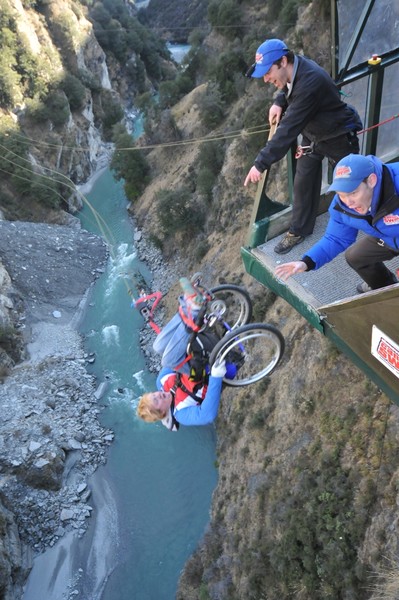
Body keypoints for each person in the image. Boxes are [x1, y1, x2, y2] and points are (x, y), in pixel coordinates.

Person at [243, 38, 362, 255]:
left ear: (283, 61)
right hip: (314, 136)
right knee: (302, 183)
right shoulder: (295, 66)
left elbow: (287, 131)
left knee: (349, 187)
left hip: (338, 136)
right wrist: (280, 101)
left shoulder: (310, 82)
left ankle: (364, 230)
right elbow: (290, 87)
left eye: (268, 72)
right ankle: (298, 230)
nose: (266, 79)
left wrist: (260, 164)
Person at [274, 154, 399, 294]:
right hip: (387, 237)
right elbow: (336, 238)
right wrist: (306, 263)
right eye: (341, 194)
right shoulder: (341, 206)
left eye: (353, 193)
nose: (349, 202)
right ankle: (385, 287)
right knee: (355, 256)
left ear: (371, 180)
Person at [137, 360, 227, 430]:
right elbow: (207, 415)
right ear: (162, 412)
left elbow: (173, 360)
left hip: (199, 360)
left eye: (154, 395)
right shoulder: (181, 413)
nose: (158, 395)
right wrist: (216, 377)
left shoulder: (162, 381)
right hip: (213, 375)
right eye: (156, 401)